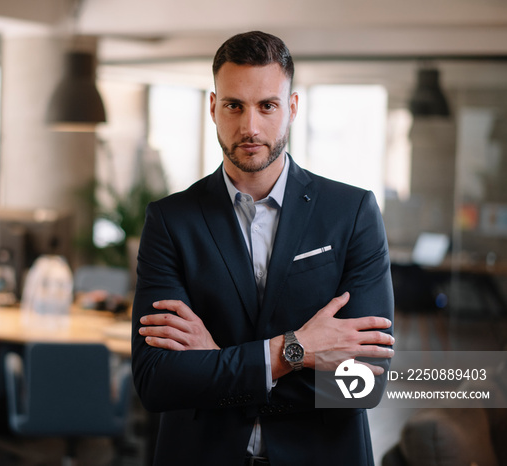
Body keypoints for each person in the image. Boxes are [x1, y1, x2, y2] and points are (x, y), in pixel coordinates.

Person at [132, 31, 394, 466]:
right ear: (212, 107)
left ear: (291, 109)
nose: (250, 127)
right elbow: (157, 380)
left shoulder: (352, 212)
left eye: (267, 106)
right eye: (234, 105)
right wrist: (297, 351)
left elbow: (363, 382)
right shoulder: (170, 221)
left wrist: (217, 364)